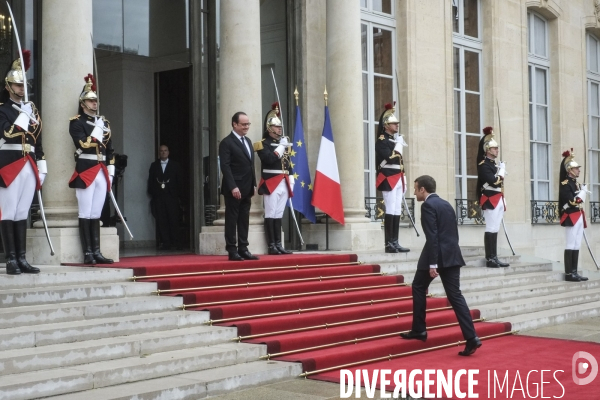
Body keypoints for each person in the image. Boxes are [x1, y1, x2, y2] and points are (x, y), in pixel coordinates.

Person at [400, 175, 481, 356]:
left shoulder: (428, 206)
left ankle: (419, 329)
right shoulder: (446, 204)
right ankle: (472, 337)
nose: (414, 192)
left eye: (415, 189)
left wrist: (433, 263)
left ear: (423, 189)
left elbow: (432, 236)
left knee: (418, 287)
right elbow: (453, 234)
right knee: (456, 297)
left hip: (436, 256)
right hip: (452, 256)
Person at [0, 50, 45, 275]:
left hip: (29, 163)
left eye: (23, 85)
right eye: (17, 85)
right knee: (8, 211)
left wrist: (42, 165)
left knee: (22, 213)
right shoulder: (3, 110)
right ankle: (10, 259)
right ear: (8, 86)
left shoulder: (31, 110)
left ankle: (22, 258)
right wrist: (23, 116)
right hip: (9, 164)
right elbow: (8, 133)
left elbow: (37, 140)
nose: (21, 88)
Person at [68, 74, 114, 265]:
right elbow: (83, 144)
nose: (94, 103)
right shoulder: (77, 122)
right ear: (82, 102)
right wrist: (97, 129)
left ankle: (96, 251)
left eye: (95, 100)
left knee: (96, 213)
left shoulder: (104, 123)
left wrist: (110, 169)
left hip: (101, 169)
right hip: (86, 169)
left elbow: (110, 150)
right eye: (90, 100)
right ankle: (87, 252)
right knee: (85, 212)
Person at [219, 111, 259, 261]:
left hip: (247, 187)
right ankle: (232, 249)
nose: (246, 127)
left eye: (247, 124)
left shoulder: (248, 141)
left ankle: (243, 248)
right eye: (243, 124)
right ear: (234, 124)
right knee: (232, 219)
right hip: (234, 189)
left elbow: (250, 165)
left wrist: (254, 184)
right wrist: (232, 186)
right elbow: (225, 166)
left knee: (244, 219)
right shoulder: (226, 142)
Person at [254, 102, 294, 255]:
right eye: (277, 127)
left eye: (280, 127)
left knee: (278, 214)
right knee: (270, 213)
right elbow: (269, 160)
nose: (280, 129)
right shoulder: (263, 145)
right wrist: (281, 147)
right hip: (271, 182)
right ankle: (271, 245)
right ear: (269, 129)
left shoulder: (282, 142)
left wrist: (291, 179)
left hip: (283, 182)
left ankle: (278, 244)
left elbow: (287, 163)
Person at [375, 103, 409, 253]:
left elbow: (400, 163)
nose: (397, 125)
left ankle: (395, 241)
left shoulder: (394, 141)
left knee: (396, 210)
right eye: (394, 123)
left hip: (397, 178)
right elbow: (390, 158)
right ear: (386, 125)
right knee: (390, 209)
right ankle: (389, 244)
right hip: (388, 178)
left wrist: (404, 177)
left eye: (397, 123)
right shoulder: (382, 141)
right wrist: (399, 146)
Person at [476, 127, 509, 268]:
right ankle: (490, 258)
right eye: (494, 148)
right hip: (490, 199)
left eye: (497, 148)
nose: (497, 150)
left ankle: (494, 257)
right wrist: (501, 171)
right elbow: (494, 182)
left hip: (498, 197)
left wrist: (499, 169)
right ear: (488, 150)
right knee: (491, 227)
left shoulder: (493, 165)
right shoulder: (484, 165)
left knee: (495, 228)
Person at [559, 149, 589, 282]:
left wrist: (581, 191)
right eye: (576, 168)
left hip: (578, 215)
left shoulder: (574, 183)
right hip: (571, 215)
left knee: (577, 244)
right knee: (570, 244)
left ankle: (574, 272)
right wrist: (582, 194)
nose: (579, 171)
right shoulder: (565, 184)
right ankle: (569, 273)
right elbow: (571, 201)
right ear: (570, 170)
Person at [147, 145, 182, 250]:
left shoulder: (175, 165)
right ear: (159, 153)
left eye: (165, 151)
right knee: (161, 220)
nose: (163, 152)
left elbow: (179, 181)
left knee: (173, 219)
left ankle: (174, 242)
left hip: (171, 197)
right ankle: (165, 242)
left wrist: (178, 195)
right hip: (159, 197)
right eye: (161, 151)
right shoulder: (154, 165)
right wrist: (154, 193)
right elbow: (151, 181)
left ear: (168, 152)